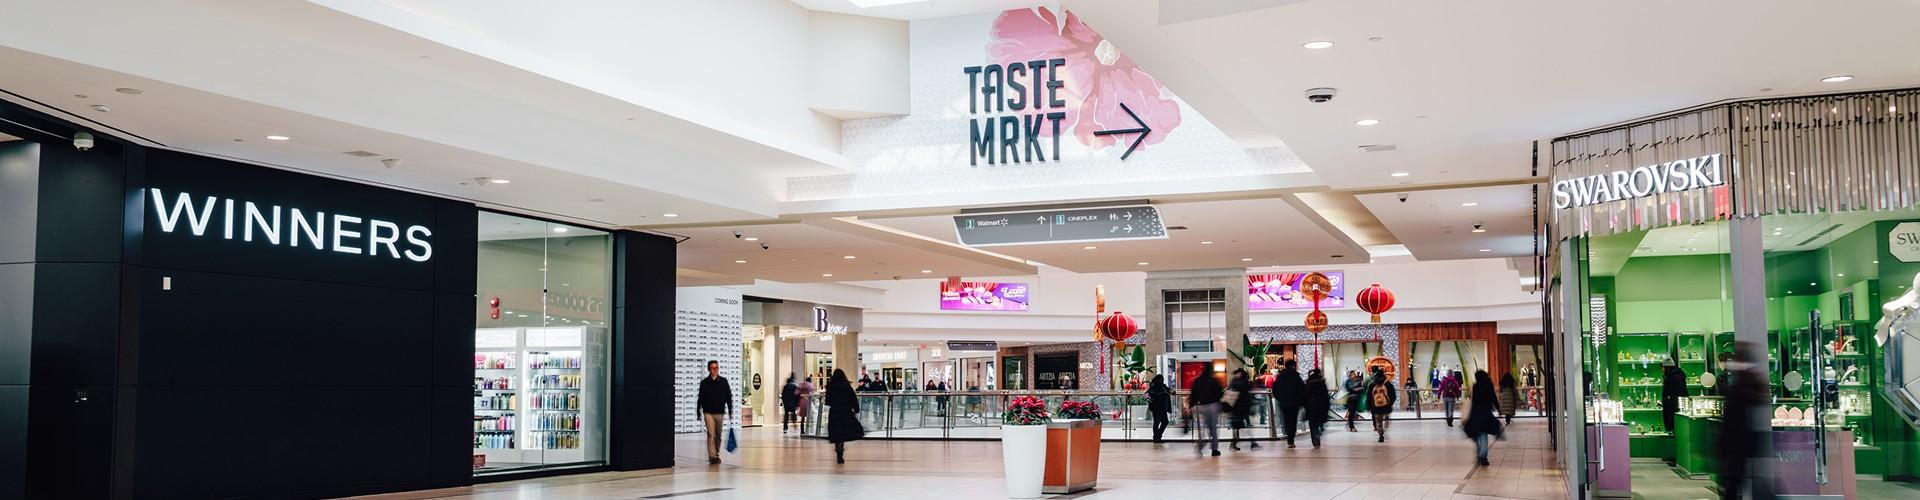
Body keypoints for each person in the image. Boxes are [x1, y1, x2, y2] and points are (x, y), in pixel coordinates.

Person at [1718, 341, 1775, 500]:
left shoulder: (1743, 386)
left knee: (1735, 485)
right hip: (1746, 444)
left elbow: (1734, 418)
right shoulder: (1751, 383)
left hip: (1740, 444)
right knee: (1743, 484)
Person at [696, 360, 733, 464]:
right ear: (709, 369)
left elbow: (728, 397)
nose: (715, 370)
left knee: (718, 435)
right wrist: (698, 411)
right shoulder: (704, 383)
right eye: (713, 368)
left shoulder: (723, 382)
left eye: (716, 368)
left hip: (720, 412)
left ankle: (716, 453)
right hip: (708, 412)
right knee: (711, 434)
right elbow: (700, 398)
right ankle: (712, 456)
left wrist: (730, 411)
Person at [1463, 370, 1503, 466]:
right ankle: (1483, 456)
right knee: (1483, 434)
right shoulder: (1488, 386)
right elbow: (1493, 398)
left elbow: (1472, 399)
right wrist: (1498, 409)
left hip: (1475, 414)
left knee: (1477, 434)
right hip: (1486, 414)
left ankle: (1479, 452)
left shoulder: (1475, 386)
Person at [824, 369, 864, 464]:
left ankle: (838, 449)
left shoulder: (830, 386)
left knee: (837, 432)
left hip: (834, 412)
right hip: (846, 411)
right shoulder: (847, 386)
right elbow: (853, 398)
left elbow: (828, 401)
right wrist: (856, 408)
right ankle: (840, 451)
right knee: (843, 432)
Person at [1188, 364, 1225, 456]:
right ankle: (1214, 449)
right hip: (1213, 406)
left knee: (1202, 428)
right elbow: (1220, 394)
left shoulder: (1197, 381)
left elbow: (1193, 394)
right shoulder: (1214, 381)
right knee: (1213, 428)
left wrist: (1191, 404)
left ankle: (1200, 446)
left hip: (1201, 407)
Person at [1272, 359, 1305, 448]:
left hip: (1284, 403)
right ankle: (1291, 439)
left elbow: (1275, 389)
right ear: (1293, 366)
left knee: (1286, 420)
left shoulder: (1280, 376)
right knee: (1293, 421)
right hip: (1294, 403)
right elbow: (1302, 389)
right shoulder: (1296, 376)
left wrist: (1280, 399)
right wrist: (1301, 401)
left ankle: (1288, 436)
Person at [1227, 369, 1259, 450]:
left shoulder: (1233, 382)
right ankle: (1252, 442)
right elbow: (1246, 393)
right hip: (1240, 407)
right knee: (1242, 426)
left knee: (1238, 427)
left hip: (1236, 408)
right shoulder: (1241, 383)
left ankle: (1234, 443)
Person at [1364, 367, 1397, 442]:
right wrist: (1390, 403)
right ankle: (1385, 427)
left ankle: (1380, 434)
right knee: (1387, 418)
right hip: (1386, 406)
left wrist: (1369, 406)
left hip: (1376, 407)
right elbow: (1393, 395)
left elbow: (1369, 396)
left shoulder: (1372, 384)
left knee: (1379, 422)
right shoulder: (1387, 383)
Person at [1303, 368, 1331, 448]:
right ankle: (1318, 432)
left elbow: (1305, 395)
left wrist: (1306, 405)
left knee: (1312, 424)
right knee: (1319, 422)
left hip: (1311, 406)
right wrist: (1327, 407)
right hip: (1321, 406)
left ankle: (1315, 438)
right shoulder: (1321, 383)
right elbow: (1325, 396)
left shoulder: (1308, 383)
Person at [1660, 361, 1687, 434]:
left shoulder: (1672, 377)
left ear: (1666, 367)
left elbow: (1671, 392)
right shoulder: (1677, 375)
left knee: (1675, 429)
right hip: (1678, 406)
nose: (1661, 370)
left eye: (1662, 367)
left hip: (1673, 407)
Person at [1147, 374, 1173, 443]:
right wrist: (1153, 402)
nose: (1162, 380)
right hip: (1157, 408)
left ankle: (1157, 436)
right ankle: (1156, 438)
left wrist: (1171, 391)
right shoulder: (1154, 387)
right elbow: (1145, 396)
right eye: (1161, 379)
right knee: (1157, 422)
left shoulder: (1163, 386)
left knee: (1165, 422)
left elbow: (1171, 391)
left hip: (1163, 408)